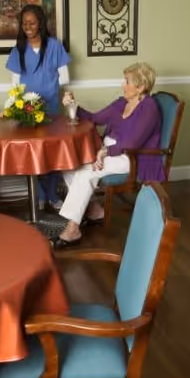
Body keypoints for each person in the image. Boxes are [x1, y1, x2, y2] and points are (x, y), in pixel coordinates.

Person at [53, 62, 164, 248]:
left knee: (86, 173)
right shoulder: (122, 103)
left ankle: (73, 229)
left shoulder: (149, 108)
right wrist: (73, 105)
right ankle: (94, 209)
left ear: (141, 86)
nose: (123, 84)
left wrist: (104, 153)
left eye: (127, 81)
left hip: (132, 158)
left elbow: (132, 143)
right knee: (70, 165)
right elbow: (95, 118)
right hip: (109, 152)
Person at [5, 4, 70, 210]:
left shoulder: (54, 46)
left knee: (52, 155)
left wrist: (46, 87)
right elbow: (15, 85)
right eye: (24, 23)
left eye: (32, 22)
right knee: (31, 156)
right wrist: (14, 105)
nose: (28, 27)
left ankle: (51, 195)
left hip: (50, 110)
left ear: (41, 23)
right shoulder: (18, 50)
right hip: (26, 113)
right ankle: (40, 196)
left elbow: (65, 77)